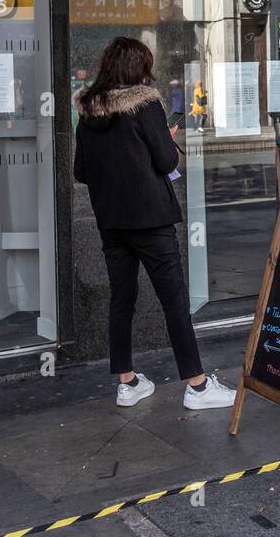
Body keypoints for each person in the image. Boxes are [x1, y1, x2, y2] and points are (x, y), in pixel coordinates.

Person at [74, 37, 235, 410]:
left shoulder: (88, 110)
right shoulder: (146, 104)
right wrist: (164, 137)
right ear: (138, 68)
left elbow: (82, 171)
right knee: (174, 300)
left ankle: (127, 383)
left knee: (121, 299)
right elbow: (165, 162)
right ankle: (197, 387)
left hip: (111, 222)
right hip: (151, 219)